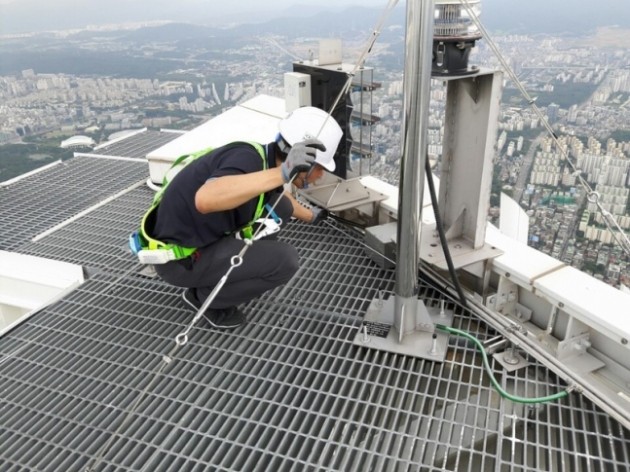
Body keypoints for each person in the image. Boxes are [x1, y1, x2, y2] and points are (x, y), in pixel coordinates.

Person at [148, 106, 343, 329]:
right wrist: (283, 172)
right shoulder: (249, 161)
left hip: (197, 241)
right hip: (182, 261)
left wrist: (313, 216)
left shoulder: (260, 158)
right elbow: (205, 199)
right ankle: (205, 299)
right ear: (304, 164)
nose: (320, 176)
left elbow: (280, 198)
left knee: (281, 209)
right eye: (320, 169)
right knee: (285, 261)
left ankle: (223, 275)